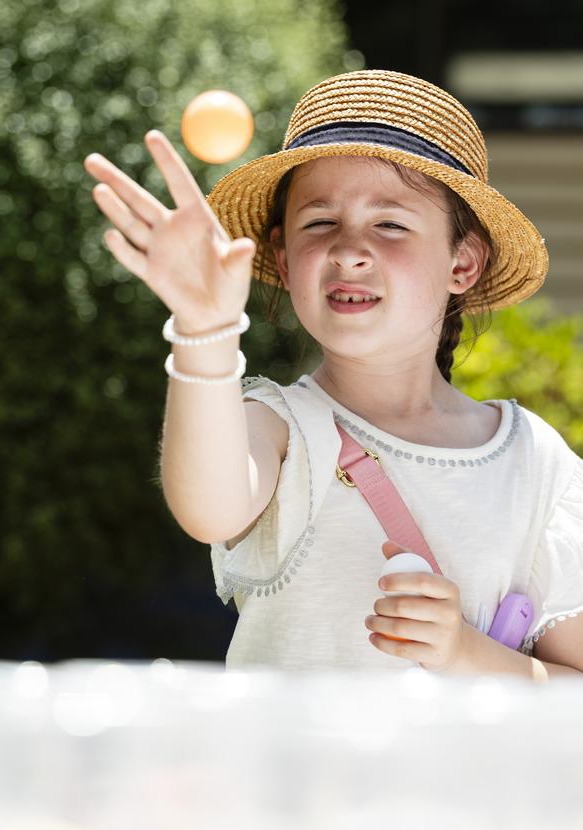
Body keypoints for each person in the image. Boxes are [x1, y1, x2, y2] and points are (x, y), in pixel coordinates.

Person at [84, 69, 583, 680]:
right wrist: (203, 327)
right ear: (283, 259)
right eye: (319, 223)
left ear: (464, 261)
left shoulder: (535, 462)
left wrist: (464, 652)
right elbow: (209, 510)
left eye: (391, 224)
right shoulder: (278, 427)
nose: (349, 249)